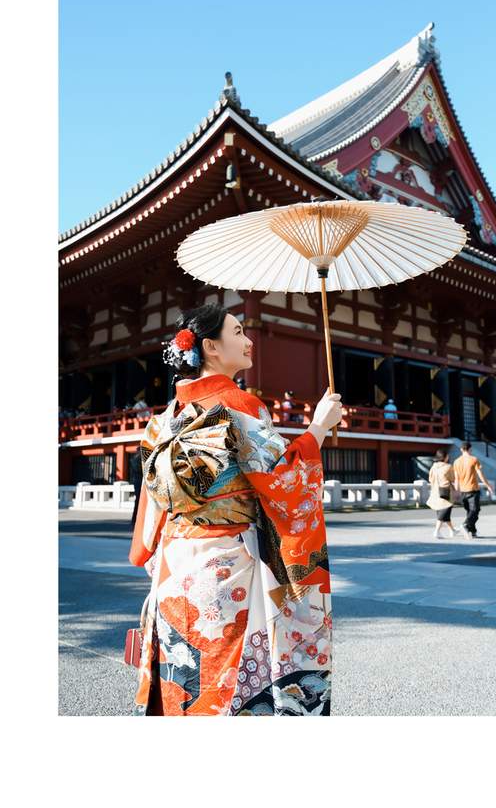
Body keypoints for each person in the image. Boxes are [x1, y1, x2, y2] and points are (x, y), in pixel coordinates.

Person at [128, 303, 341, 715]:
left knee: (183, 672)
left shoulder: (163, 419)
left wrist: (144, 551)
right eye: (239, 331)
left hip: (173, 565)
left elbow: (151, 502)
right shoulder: (240, 405)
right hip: (227, 565)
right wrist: (318, 426)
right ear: (210, 346)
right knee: (228, 676)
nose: (249, 340)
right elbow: (283, 480)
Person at [452, 441, 495, 538]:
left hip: (463, 491)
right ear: (470, 449)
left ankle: (473, 531)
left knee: (470, 512)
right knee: (475, 510)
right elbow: (480, 475)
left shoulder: (456, 462)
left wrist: (456, 492)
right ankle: (465, 525)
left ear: (461, 449)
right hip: (472, 490)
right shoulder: (474, 459)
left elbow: (456, 478)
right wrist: (488, 486)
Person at [426, 448, 462, 539]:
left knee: (444, 513)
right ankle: (437, 531)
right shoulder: (448, 467)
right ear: (445, 457)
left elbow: (430, 479)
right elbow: (453, 479)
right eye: (447, 456)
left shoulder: (433, 467)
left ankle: (452, 530)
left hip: (435, 492)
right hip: (446, 492)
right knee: (444, 510)